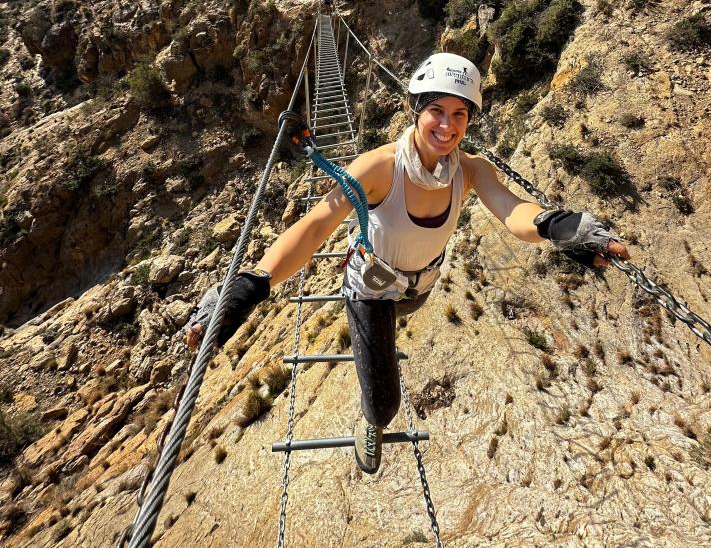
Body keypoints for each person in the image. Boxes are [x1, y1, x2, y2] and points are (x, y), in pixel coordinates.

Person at [185, 54, 631, 473]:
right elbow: (318, 223)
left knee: (393, 337)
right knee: (384, 404)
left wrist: (555, 225)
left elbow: (513, 211)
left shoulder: (470, 170)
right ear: (413, 109)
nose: (447, 124)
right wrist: (253, 284)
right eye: (436, 110)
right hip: (372, 288)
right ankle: (370, 423)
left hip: (418, 289)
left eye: (460, 114)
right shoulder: (380, 169)